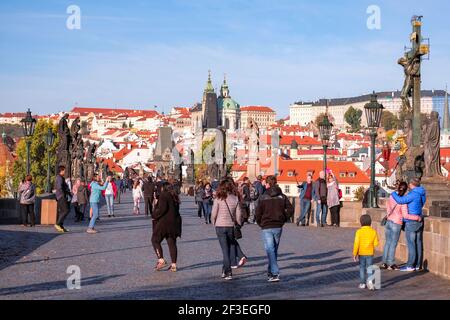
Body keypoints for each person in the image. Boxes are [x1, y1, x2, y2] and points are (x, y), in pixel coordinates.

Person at [256, 175, 294, 282]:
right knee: (273, 250)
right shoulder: (282, 196)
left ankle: (275, 273)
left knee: (270, 249)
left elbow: (258, 213)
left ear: (267, 184)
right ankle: (270, 272)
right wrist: (284, 218)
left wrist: (260, 223)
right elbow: (291, 209)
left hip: (266, 226)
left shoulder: (263, 197)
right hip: (278, 226)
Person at [381, 182, 422, 271]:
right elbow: (405, 216)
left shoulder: (392, 196)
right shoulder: (403, 201)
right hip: (396, 223)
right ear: (406, 189)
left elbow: (387, 207)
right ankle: (391, 263)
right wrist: (417, 217)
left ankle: (384, 262)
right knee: (393, 244)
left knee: (387, 242)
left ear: (399, 187)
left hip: (389, 221)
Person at [391, 178, 426, 272]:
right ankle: (418, 265)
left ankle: (410, 265)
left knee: (411, 244)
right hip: (419, 219)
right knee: (418, 243)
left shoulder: (413, 194)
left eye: (409, 184)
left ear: (411, 184)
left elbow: (400, 200)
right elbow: (422, 203)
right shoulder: (421, 192)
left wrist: (393, 193)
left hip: (411, 221)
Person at [212, 178, 244, 280]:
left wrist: (214, 223)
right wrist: (238, 224)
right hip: (230, 226)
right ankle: (224, 271)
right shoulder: (235, 198)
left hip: (220, 226)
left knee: (225, 251)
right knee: (228, 249)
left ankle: (228, 272)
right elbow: (239, 215)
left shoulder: (218, 198)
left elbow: (213, 214)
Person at [151, 182, 182, 272]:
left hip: (165, 223)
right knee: (171, 242)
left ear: (163, 188)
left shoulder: (164, 195)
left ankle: (161, 260)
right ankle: (173, 265)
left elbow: (162, 210)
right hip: (175, 223)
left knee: (155, 240)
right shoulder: (174, 195)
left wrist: (154, 215)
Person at [353, 214, 379, 290]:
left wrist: (355, 254)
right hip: (370, 253)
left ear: (361, 222)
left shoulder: (359, 232)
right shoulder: (373, 231)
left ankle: (362, 283)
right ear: (370, 222)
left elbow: (356, 243)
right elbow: (376, 243)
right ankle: (370, 282)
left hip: (361, 253)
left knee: (362, 268)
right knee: (370, 268)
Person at [55, 166, 71, 233]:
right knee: (66, 210)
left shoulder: (61, 177)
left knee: (62, 211)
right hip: (61, 196)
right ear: (61, 171)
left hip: (61, 196)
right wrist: (63, 194)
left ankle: (61, 226)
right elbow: (59, 187)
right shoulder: (59, 178)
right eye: (64, 170)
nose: (65, 172)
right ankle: (58, 224)